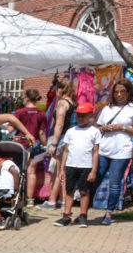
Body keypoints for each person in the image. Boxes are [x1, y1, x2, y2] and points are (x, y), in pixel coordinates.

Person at [94, 79, 133, 225]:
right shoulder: (107, 109)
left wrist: (122, 127)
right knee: (94, 179)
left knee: (115, 183)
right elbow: (96, 128)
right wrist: (104, 128)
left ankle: (109, 213)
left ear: (128, 93)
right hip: (104, 149)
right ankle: (85, 211)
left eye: (122, 91)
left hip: (122, 152)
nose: (119, 94)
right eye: (116, 92)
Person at [54, 103, 101, 228]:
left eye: (83, 116)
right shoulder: (71, 131)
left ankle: (83, 216)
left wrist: (94, 171)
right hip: (71, 165)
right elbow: (66, 151)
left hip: (86, 166)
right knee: (69, 190)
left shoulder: (94, 132)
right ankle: (66, 215)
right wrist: (62, 169)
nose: (80, 118)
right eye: (78, 115)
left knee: (84, 191)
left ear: (91, 115)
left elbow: (95, 153)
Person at [38, 80, 77, 211]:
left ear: (61, 89)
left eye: (57, 89)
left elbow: (59, 123)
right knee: (61, 171)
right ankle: (61, 200)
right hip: (67, 139)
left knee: (58, 172)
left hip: (60, 139)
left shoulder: (62, 103)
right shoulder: (72, 103)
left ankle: (54, 201)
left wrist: (54, 143)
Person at [15, 89, 49, 207]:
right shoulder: (41, 113)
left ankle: (17, 196)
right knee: (31, 171)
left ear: (27, 98)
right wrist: (45, 145)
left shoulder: (19, 112)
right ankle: (30, 199)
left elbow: (10, 129)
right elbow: (41, 133)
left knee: (18, 170)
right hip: (34, 144)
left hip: (19, 144)